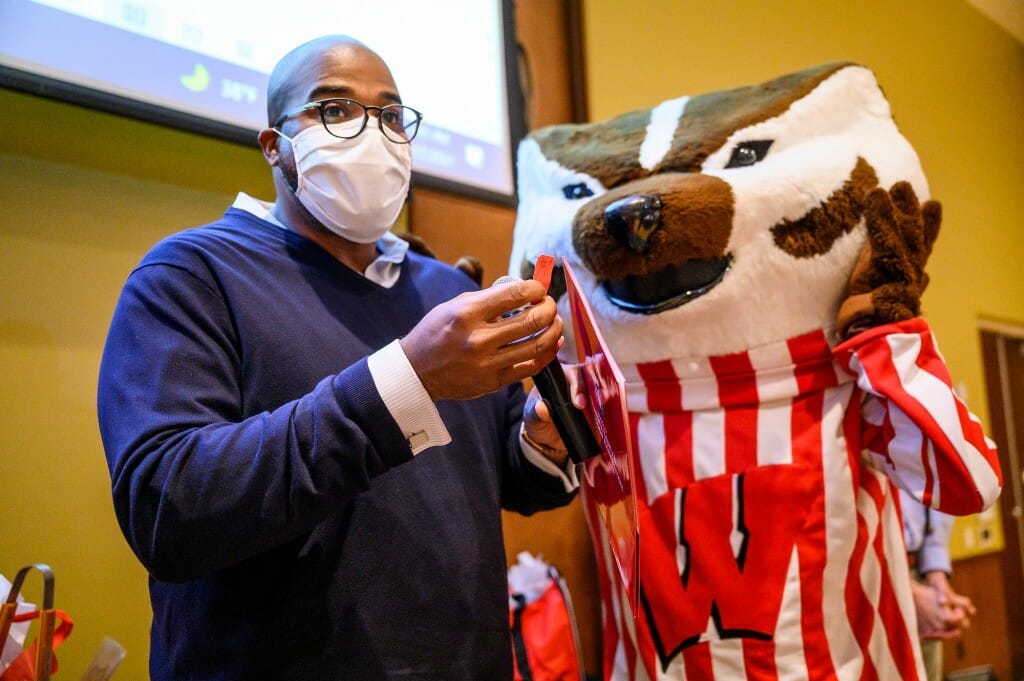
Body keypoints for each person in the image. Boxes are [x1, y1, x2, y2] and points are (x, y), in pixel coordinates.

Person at [97, 34, 581, 680]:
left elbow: (504, 478)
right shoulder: (190, 275)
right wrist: (406, 377)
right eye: (334, 109)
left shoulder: (444, 289)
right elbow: (169, 508)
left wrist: (541, 439)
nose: (370, 133)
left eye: (388, 115)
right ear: (274, 146)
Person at [901, 488, 977, 681]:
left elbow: (933, 490)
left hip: (918, 573)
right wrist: (909, 592)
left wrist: (937, 581)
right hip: (867, 576)